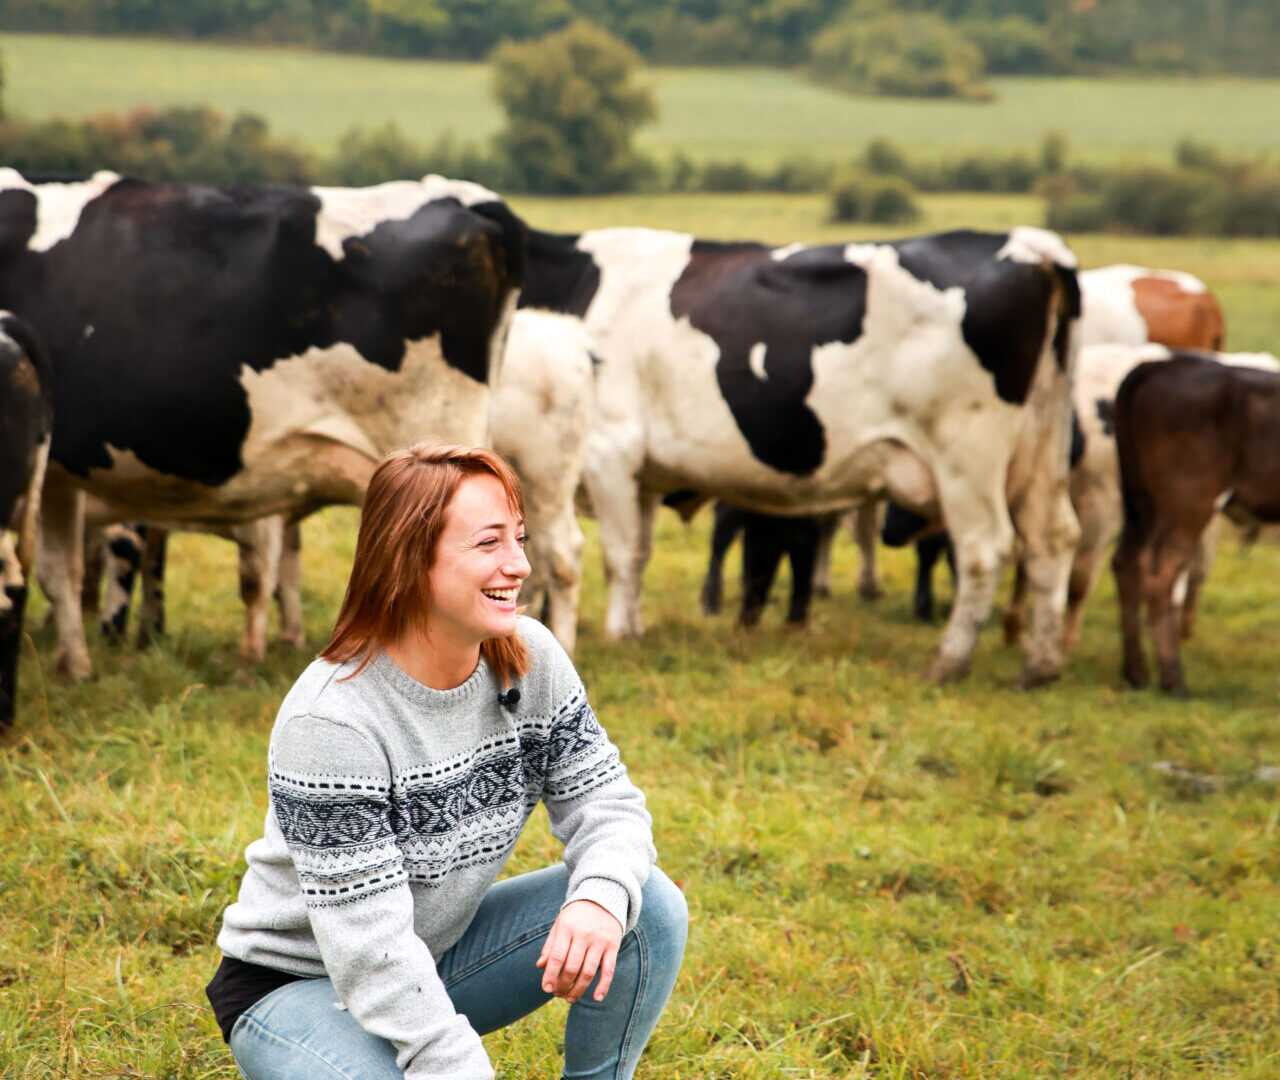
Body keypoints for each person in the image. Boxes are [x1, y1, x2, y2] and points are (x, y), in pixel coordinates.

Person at [206, 442, 687, 1080]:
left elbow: (607, 803)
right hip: (299, 983)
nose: (519, 564)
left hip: (432, 955)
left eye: (519, 538)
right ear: (409, 558)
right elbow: (369, 950)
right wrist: (454, 1062)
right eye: (489, 544)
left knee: (644, 904)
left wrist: (598, 898)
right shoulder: (332, 720)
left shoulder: (528, 655)